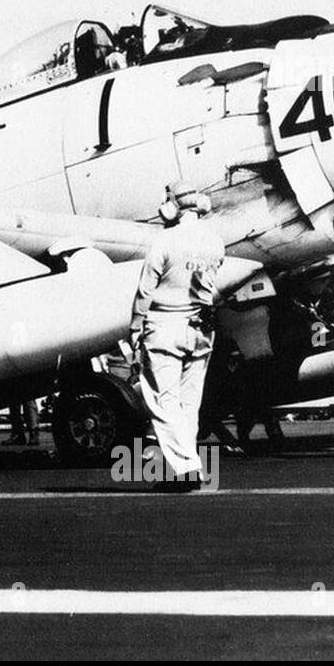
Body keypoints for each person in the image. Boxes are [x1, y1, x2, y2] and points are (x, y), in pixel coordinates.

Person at [130, 180, 224, 491]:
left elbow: (146, 289)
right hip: (201, 328)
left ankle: (185, 469)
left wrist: (134, 326)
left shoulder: (165, 240)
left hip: (165, 327)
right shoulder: (215, 242)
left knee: (162, 401)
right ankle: (187, 465)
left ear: (172, 205)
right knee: (188, 404)